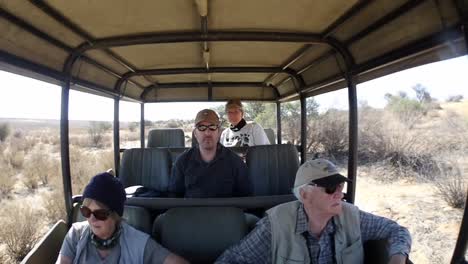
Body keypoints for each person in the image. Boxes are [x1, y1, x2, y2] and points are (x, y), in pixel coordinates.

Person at [216, 159, 412, 264]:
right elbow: (232, 260)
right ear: (304, 194)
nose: (339, 194)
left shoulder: (351, 216)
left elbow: (397, 230)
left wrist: (397, 258)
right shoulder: (275, 227)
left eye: (340, 186)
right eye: (329, 189)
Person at [56, 172, 188, 264]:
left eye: (100, 214)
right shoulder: (76, 235)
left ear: (115, 215)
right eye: (86, 211)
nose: (92, 219)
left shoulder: (138, 243)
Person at [168, 109, 251, 198]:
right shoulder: (182, 161)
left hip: (226, 211)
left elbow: (245, 197)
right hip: (191, 211)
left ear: (219, 132)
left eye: (212, 127)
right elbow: (174, 196)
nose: (207, 133)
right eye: (202, 127)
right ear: (195, 133)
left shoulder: (235, 162)